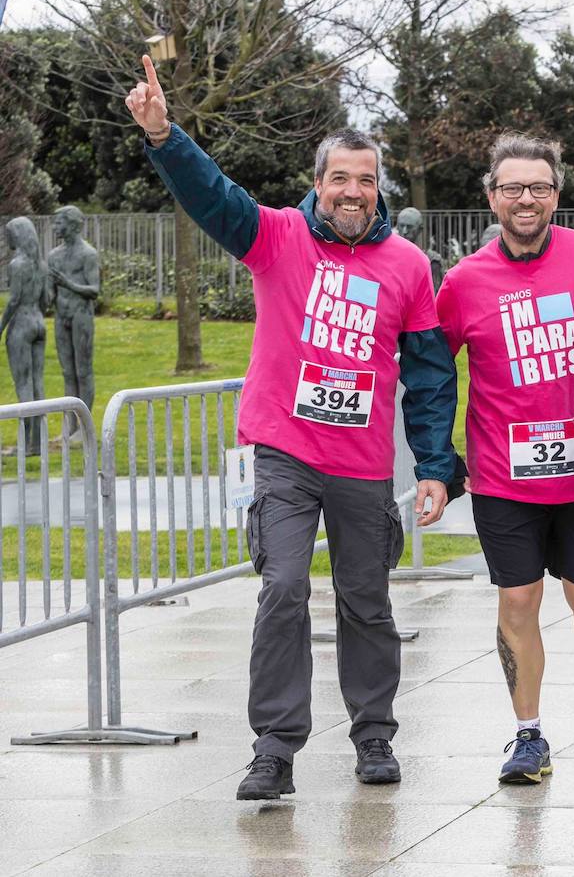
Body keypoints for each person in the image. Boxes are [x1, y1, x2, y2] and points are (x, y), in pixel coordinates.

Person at [125, 55, 465, 801]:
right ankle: (274, 748)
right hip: (283, 449)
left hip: (363, 461)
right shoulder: (276, 237)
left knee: (365, 597)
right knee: (281, 586)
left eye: (365, 179)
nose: (352, 191)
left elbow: (432, 376)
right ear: (318, 183)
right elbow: (213, 198)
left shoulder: (408, 266)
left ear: (380, 187)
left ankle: (373, 735)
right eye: (339, 178)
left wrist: (438, 466)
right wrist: (163, 136)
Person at [435, 132, 574, 785]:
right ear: (492, 196)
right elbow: (432, 369)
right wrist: (439, 457)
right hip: (502, 478)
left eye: (538, 187)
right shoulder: (465, 281)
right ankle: (528, 735)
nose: (525, 198)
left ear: (556, 196)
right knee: (518, 602)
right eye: (512, 187)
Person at [47, 206, 101, 438]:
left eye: (59, 223)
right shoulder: (53, 256)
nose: (55, 227)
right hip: (62, 316)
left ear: (73, 224)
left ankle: (84, 428)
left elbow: (94, 290)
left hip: (81, 316)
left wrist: (69, 284)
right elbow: (50, 294)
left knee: (83, 372)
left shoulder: (88, 254)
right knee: (67, 373)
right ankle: (69, 427)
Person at [1, 217, 50, 453]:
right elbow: (46, 301)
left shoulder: (17, 264)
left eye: (8, 233)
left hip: (21, 324)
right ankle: (38, 442)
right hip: (39, 322)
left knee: (23, 384)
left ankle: (25, 443)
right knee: (37, 382)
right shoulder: (41, 265)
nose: (6, 237)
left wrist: (1, 327)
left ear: (18, 235)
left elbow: (13, 301)